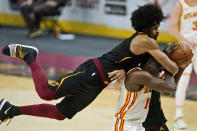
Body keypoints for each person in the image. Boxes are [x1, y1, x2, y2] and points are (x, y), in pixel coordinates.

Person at [0, 4, 178, 125]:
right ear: (146, 27)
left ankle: (11, 110)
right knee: (46, 92)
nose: (157, 31)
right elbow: (173, 68)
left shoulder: (141, 42)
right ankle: (29, 56)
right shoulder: (147, 41)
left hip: (98, 84)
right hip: (92, 71)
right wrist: (179, 59)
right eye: (155, 27)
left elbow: (121, 56)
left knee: (59, 114)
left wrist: (124, 69)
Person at [110, 44, 192, 131]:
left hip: (140, 124)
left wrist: (182, 66)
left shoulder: (152, 73)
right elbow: (170, 87)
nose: (161, 68)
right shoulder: (139, 75)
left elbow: (167, 91)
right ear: (149, 63)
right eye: (159, 64)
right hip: (125, 125)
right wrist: (169, 64)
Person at [168, 0, 197, 129]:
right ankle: (178, 116)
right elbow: (171, 29)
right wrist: (187, 41)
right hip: (185, 49)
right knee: (184, 80)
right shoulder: (180, 5)